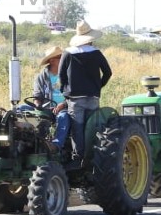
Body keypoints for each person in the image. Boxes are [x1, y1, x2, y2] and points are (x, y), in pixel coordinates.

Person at [58, 20, 112, 161]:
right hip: (92, 97)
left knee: (77, 128)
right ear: (90, 39)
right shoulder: (96, 53)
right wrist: (98, 86)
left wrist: (65, 91)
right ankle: (93, 157)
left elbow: (61, 75)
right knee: (93, 128)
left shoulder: (68, 53)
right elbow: (108, 73)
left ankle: (78, 157)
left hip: (75, 98)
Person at [32, 46, 70, 153]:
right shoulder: (41, 77)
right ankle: (33, 142)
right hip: (46, 108)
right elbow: (37, 95)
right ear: (52, 60)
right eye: (60, 57)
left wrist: (63, 104)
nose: (63, 59)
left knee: (64, 117)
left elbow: (72, 95)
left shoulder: (68, 75)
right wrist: (37, 104)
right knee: (21, 109)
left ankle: (56, 145)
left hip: (63, 108)